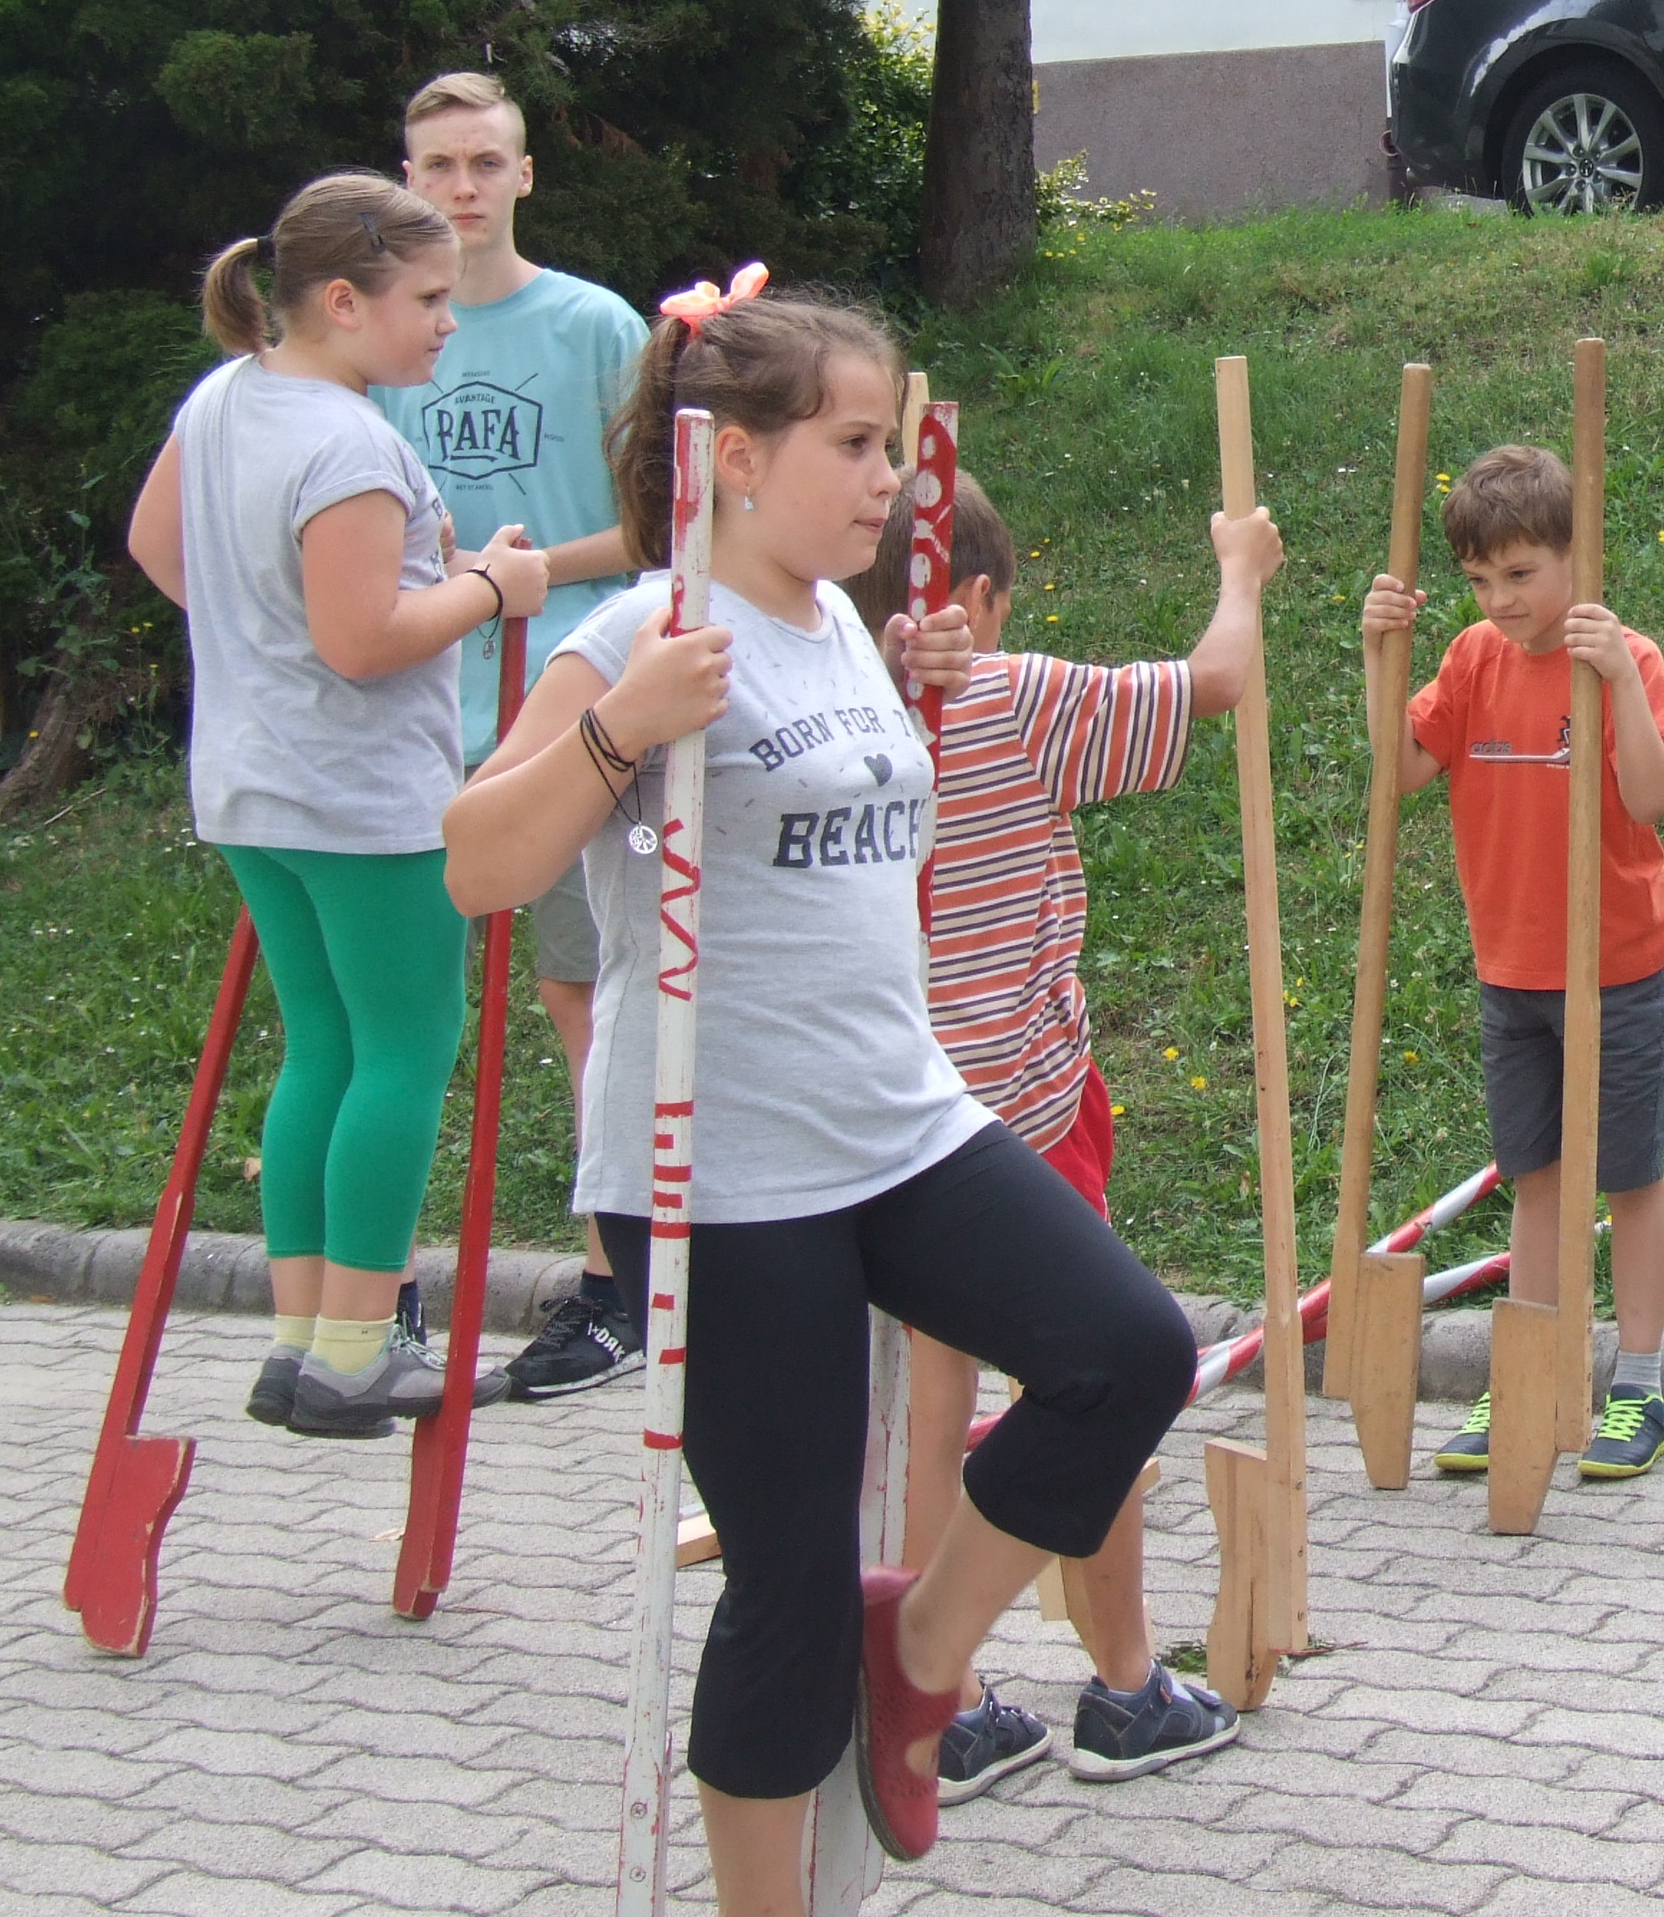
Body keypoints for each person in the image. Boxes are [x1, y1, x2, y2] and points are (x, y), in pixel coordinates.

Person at [442, 279, 1205, 1905]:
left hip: (901, 1122)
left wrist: (912, 682)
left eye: (891, 444)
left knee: (1128, 1350)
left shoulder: (845, 626)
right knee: (784, 1584)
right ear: (733, 459)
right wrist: (619, 735)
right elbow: (476, 863)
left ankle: (917, 1655)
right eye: (854, 445)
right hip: (723, 1169)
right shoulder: (641, 637)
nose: (890, 478)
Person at [842, 466, 1274, 1799]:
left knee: (933, 1406)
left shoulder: (844, 716)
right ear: (973, 599)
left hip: (905, 1121)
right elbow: (1212, 680)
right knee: (1091, 1387)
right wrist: (1240, 570)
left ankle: (948, 1700)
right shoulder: (1014, 697)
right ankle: (1127, 1684)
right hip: (1026, 1114)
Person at [123, 173, 550, 1437]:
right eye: (427, 298)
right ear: (346, 302)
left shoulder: (224, 399)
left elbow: (158, 548)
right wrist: (494, 588)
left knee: (322, 1046)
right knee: (406, 1050)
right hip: (363, 798)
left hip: (251, 784)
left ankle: (303, 1336)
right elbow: (362, 641)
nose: (447, 323)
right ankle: (359, 1352)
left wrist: (264, 628)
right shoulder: (350, 442)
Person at [367, 70, 654, 1402]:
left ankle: (617, 1285)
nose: (464, 188)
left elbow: (662, 517)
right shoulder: (389, 338)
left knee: (588, 990)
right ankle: (376, 1290)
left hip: (575, 698)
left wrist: (520, 579)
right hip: (427, 703)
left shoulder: (593, 325)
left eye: (486, 162)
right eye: (439, 165)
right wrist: (459, 587)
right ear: (406, 179)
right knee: (405, 1011)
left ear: (525, 174)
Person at [1360, 443, 1664, 1484]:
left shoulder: (1627, 657)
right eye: (1478, 579)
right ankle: (1530, 1374)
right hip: (1512, 970)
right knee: (1535, 1178)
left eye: (1520, 574)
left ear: (1576, 558)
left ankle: (1639, 1384)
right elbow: (1401, 771)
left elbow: (1649, 800)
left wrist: (1613, 679)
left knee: (1627, 1176)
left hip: (1618, 968)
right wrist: (1379, 656)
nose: (1500, 600)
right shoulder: (1470, 660)